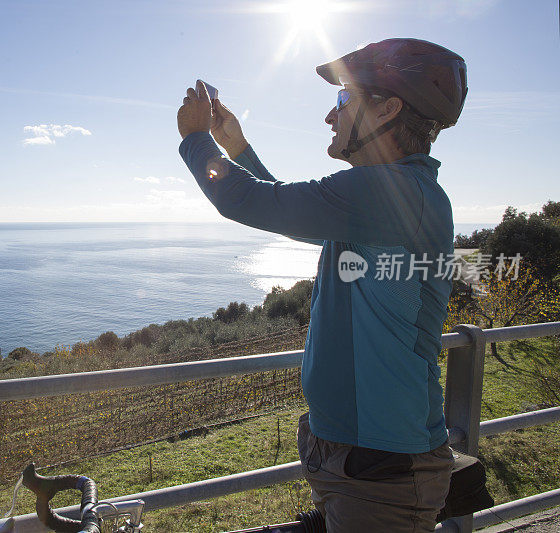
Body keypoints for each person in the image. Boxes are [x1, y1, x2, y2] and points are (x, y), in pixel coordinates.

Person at [176, 38, 468, 532]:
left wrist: (195, 139)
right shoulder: (389, 195)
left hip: (381, 467)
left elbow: (249, 201)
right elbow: (288, 212)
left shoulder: (395, 191)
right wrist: (238, 147)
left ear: (389, 109)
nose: (331, 118)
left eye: (342, 100)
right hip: (362, 459)